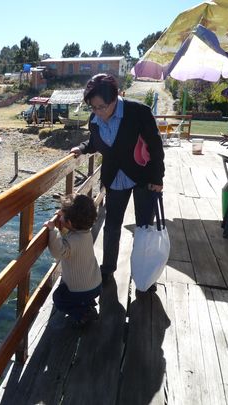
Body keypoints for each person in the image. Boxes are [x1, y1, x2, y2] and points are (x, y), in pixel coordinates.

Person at [70, 73, 165, 284]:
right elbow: (96, 141)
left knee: (143, 228)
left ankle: (144, 275)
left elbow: (156, 146)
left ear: (115, 99)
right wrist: (83, 148)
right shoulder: (95, 119)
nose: (97, 113)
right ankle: (108, 269)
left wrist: (158, 178)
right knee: (112, 226)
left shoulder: (138, 112)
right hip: (115, 179)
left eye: (101, 107)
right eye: (92, 108)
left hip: (144, 177)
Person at [45, 194, 102, 326]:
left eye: (63, 216)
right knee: (79, 294)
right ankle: (87, 304)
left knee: (58, 298)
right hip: (96, 286)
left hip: (80, 291)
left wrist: (52, 230)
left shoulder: (71, 242)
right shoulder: (86, 233)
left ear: (69, 222)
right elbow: (69, 234)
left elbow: (57, 251)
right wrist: (63, 216)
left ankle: (82, 314)